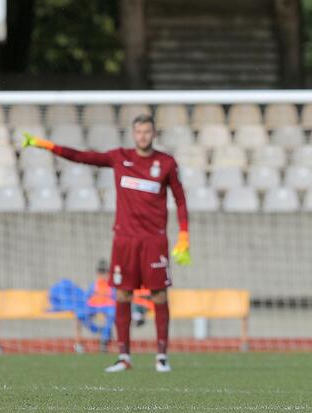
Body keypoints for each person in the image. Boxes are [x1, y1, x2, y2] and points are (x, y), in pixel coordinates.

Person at [23, 114, 190, 373]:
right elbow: (81, 157)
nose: (142, 136)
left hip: (154, 240)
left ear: (154, 134)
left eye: (147, 132)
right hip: (124, 240)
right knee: (122, 293)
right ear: (133, 134)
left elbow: (180, 200)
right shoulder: (119, 157)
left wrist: (184, 235)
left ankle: (161, 357)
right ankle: (124, 357)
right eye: (138, 132)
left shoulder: (166, 163)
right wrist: (47, 146)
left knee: (158, 295)